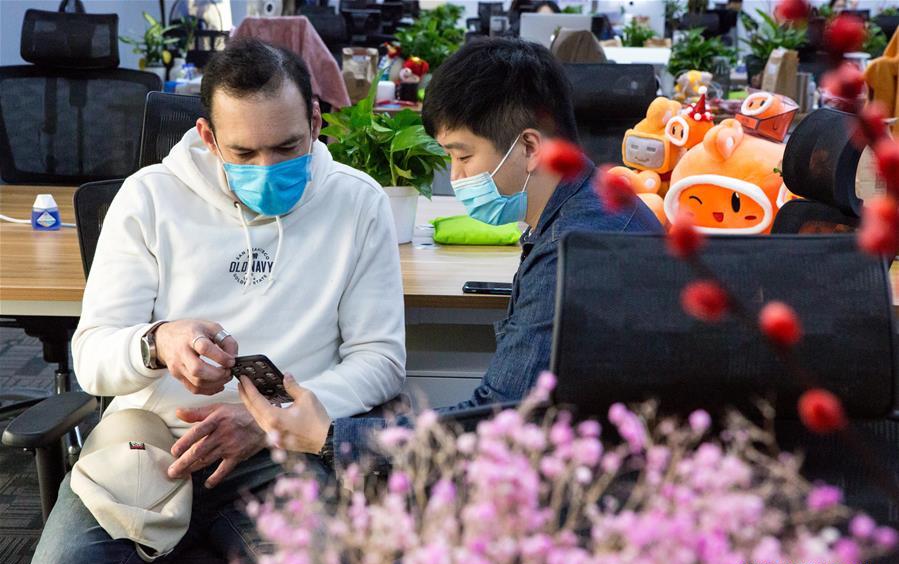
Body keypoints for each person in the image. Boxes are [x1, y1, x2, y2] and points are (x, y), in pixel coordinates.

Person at [27, 38, 405, 564]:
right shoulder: (148, 199)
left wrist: (271, 420)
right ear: (208, 137)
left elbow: (381, 360)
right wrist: (158, 342)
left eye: (287, 147)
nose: (268, 168)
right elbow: (92, 357)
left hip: (279, 451)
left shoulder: (358, 202)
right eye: (245, 154)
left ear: (317, 122)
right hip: (150, 444)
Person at [237, 38, 662, 471]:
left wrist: (327, 436)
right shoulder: (592, 206)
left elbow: (499, 426)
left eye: (463, 155)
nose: (456, 177)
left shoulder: (572, 254)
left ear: (530, 148)